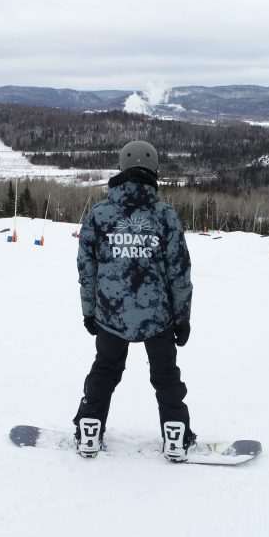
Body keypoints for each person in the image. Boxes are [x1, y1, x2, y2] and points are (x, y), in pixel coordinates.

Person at [72, 140, 195, 461]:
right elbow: (179, 273)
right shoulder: (165, 216)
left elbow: (87, 270)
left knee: (104, 371)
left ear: (121, 168)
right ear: (154, 170)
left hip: (111, 315)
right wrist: (182, 318)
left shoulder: (99, 215)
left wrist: (90, 312)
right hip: (158, 317)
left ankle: (89, 428)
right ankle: (176, 435)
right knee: (166, 376)